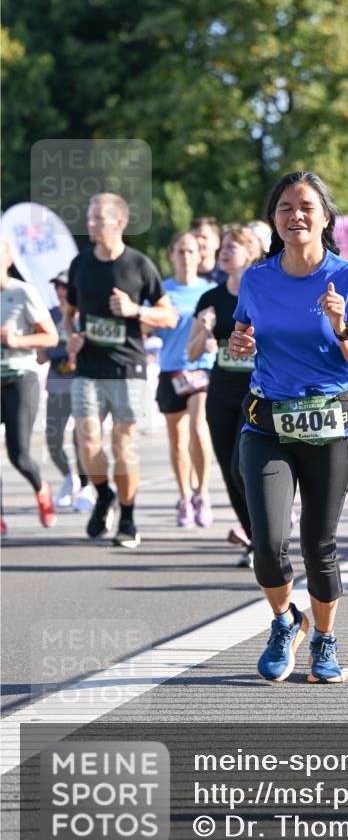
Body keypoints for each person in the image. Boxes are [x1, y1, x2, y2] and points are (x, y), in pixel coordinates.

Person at [229, 170, 348, 684]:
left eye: (306, 206)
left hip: (328, 425)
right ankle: (284, 620)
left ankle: (324, 638)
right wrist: (239, 345)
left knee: (319, 544)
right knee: (267, 543)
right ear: (275, 219)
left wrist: (340, 326)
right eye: (285, 207)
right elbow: (242, 334)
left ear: (325, 217)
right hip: (268, 422)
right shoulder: (257, 278)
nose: (296, 215)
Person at [64, 193, 177, 548]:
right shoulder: (80, 263)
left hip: (128, 368)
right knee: (87, 438)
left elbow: (169, 316)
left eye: (98, 217)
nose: (91, 222)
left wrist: (134, 310)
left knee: (122, 445)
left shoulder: (139, 265)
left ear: (120, 222)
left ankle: (127, 519)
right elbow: (68, 311)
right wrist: (71, 337)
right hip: (87, 367)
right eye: (89, 216)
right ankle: (103, 495)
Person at [189, 224, 264, 563]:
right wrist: (204, 329)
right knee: (226, 468)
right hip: (220, 391)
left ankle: (265, 533)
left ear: (251, 254)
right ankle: (254, 538)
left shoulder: (263, 293)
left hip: (256, 390)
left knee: (241, 467)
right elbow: (191, 353)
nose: (225, 250)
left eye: (234, 246)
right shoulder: (210, 299)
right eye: (224, 246)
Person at [0, 236, 59, 533]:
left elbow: (51, 337)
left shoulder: (22, 293)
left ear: (8, 259)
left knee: (18, 454)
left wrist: (17, 340)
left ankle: (41, 489)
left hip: (20, 378)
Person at [156, 232, 214, 527]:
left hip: (202, 368)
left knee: (198, 426)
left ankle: (203, 494)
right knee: (177, 440)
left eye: (192, 251)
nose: (187, 257)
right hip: (170, 369)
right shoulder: (161, 291)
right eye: (181, 251)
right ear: (172, 256)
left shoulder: (210, 290)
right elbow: (149, 327)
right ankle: (184, 497)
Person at [37, 270, 94, 511]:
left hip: (82, 382)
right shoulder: (48, 316)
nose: (61, 291)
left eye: (65, 286)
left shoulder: (85, 315)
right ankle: (68, 478)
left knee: (81, 438)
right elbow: (41, 354)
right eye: (58, 287)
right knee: (53, 439)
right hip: (57, 383)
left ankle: (85, 486)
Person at [190, 217, 224, 284]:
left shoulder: (228, 277)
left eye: (204, 237)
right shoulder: (181, 279)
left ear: (217, 242)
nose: (198, 241)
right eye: (195, 237)